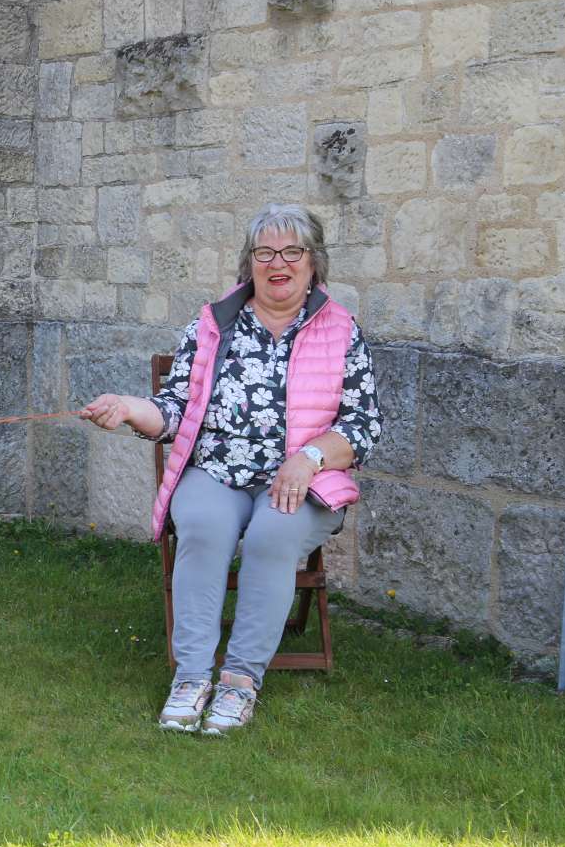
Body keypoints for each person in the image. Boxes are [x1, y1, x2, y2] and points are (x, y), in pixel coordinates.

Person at [79, 203, 381, 736]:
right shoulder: (215, 322)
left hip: (300, 480)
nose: (278, 263)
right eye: (265, 252)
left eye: (292, 251)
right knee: (204, 525)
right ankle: (192, 677)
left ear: (314, 263)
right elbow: (174, 409)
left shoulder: (341, 329)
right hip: (217, 469)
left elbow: (364, 425)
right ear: (250, 263)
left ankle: (240, 681)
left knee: (273, 534)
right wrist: (129, 408)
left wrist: (308, 459)